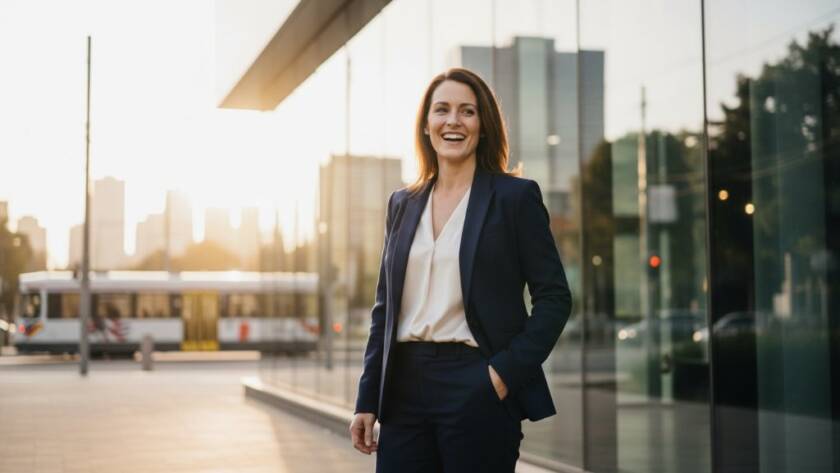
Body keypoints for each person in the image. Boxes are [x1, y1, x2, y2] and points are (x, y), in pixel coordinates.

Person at [349, 67, 572, 473]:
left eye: (467, 111)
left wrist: (502, 375)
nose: (453, 121)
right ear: (426, 125)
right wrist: (367, 399)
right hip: (402, 389)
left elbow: (555, 298)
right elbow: (385, 309)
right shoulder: (402, 203)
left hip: (476, 381)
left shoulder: (514, 198)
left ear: (483, 126)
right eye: (442, 110)